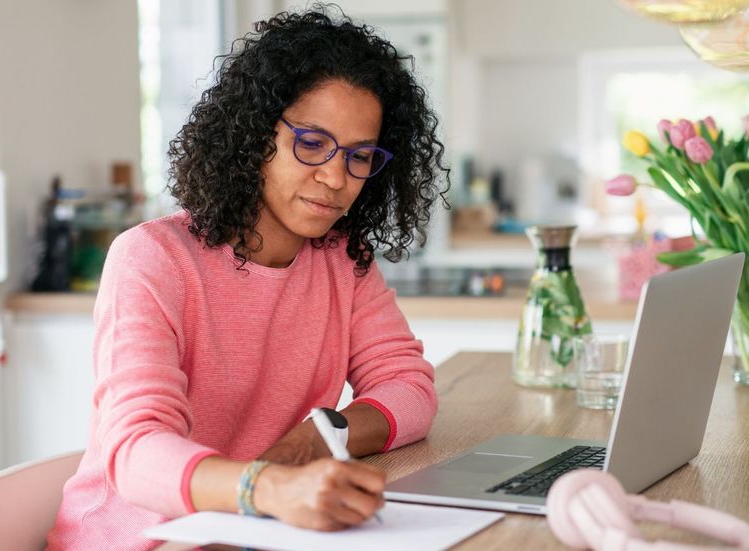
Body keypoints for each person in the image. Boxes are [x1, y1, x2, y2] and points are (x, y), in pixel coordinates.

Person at [46, 6, 448, 549]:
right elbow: (136, 451)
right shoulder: (153, 258)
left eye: (359, 156)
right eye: (311, 142)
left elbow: (410, 389)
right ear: (255, 133)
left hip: (251, 533)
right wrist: (270, 486)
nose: (335, 177)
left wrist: (320, 435)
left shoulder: (341, 261)